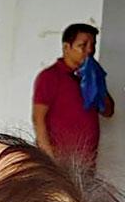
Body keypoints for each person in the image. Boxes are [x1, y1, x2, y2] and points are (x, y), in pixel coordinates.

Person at [33, 23, 115, 167]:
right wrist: (49, 157)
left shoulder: (90, 77)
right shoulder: (50, 76)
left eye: (93, 45)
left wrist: (98, 84)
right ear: (66, 47)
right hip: (60, 161)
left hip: (87, 162)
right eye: (83, 45)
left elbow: (108, 111)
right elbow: (38, 119)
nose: (89, 50)